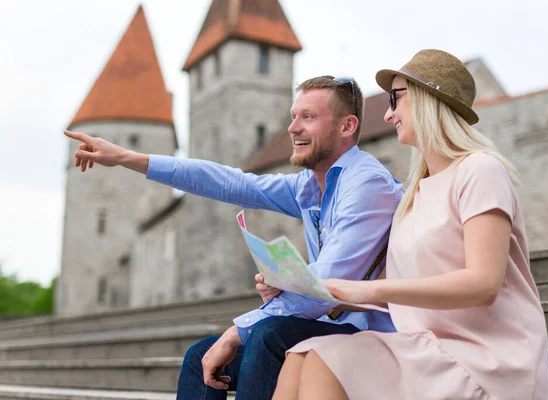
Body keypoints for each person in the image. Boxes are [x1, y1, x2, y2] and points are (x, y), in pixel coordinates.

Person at [64, 75, 404, 400]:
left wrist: (237, 331)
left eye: (308, 117)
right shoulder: (308, 186)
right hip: (330, 325)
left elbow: (328, 284)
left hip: (368, 334)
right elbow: (231, 183)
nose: (292, 127)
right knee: (203, 357)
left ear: (347, 126)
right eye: (293, 116)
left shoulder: (366, 184)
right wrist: (127, 158)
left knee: (267, 334)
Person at [274, 50, 548, 400]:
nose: (389, 113)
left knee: (322, 359)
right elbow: (408, 293)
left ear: (428, 98)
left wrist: (369, 291)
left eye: (396, 98)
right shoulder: (413, 196)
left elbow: (483, 284)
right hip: (426, 350)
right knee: (301, 355)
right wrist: (328, 294)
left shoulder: (480, 170)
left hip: (488, 361)